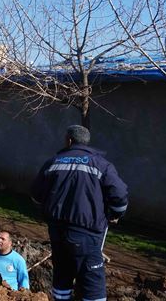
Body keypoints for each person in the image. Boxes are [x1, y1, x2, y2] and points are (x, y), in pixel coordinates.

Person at [32, 125, 128, 301]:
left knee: (62, 275)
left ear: (69, 140)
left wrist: (48, 210)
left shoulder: (53, 162)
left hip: (57, 231)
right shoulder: (101, 165)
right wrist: (115, 214)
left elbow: (36, 195)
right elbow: (119, 195)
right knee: (92, 281)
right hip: (87, 233)